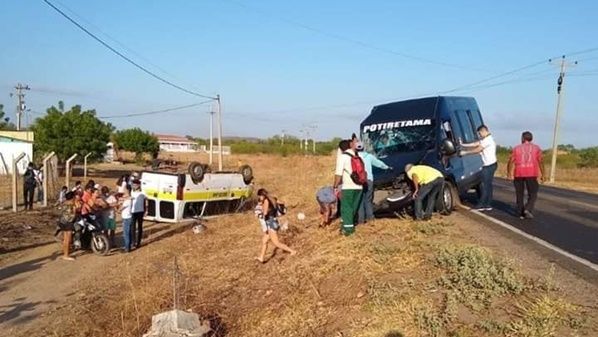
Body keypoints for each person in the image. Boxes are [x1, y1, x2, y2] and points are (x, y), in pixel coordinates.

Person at [507, 131, 545, 219]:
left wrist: (509, 173)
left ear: (523, 138)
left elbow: (511, 160)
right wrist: (543, 174)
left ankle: (519, 211)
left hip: (519, 173)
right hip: (531, 173)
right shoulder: (536, 148)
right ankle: (528, 208)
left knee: (519, 193)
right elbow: (541, 161)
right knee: (533, 193)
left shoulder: (516, 148)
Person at [460, 125, 498, 211]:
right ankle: (487, 204)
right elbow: (476, 143)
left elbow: (478, 149)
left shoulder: (488, 140)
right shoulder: (486, 139)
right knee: (488, 185)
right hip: (490, 164)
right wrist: (463, 145)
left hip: (489, 165)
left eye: (480, 133)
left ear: (484, 131)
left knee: (484, 185)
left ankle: (482, 204)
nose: (479, 135)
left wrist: (465, 152)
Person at [256, 188, 296, 263]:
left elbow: (264, 213)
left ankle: (292, 251)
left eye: (260, 196)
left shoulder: (266, 201)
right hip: (274, 221)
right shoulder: (272, 198)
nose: (259, 198)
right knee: (264, 240)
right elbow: (282, 202)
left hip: (270, 223)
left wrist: (260, 209)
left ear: (262, 195)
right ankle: (261, 257)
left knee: (276, 243)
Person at [333, 137, 364, 236]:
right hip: (359, 186)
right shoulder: (357, 155)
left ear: (341, 149)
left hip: (348, 187)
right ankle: (345, 226)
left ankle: (349, 231)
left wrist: (335, 186)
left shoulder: (343, 157)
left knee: (346, 208)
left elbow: (338, 174)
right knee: (353, 208)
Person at [357, 142, 392, 224]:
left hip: (358, 181)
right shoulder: (369, 156)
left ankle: (361, 220)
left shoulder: (354, 157)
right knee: (368, 200)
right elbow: (379, 164)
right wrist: (388, 167)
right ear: (363, 148)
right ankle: (370, 218)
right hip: (368, 180)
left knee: (360, 200)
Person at [130, 179, 146, 248]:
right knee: (133, 227)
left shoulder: (143, 192)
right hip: (133, 211)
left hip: (140, 211)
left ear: (139, 185)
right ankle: (133, 242)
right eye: (133, 185)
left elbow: (146, 200)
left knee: (140, 227)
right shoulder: (131, 192)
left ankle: (138, 242)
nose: (134, 186)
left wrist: (146, 210)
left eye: (135, 185)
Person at [119, 187, 134, 252]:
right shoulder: (129, 199)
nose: (123, 190)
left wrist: (117, 209)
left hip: (126, 218)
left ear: (127, 190)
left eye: (125, 189)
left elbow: (121, 209)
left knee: (126, 234)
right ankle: (129, 246)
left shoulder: (127, 201)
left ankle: (127, 248)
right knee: (129, 233)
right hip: (129, 217)